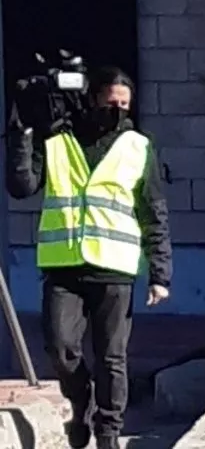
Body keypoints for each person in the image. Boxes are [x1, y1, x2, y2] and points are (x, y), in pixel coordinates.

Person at [8, 67, 171, 449]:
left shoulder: (137, 147)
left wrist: (160, 273)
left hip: (114, 269)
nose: (117, 110)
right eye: (111, 102)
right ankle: (81, 402)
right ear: (93, 99)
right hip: (64, 267)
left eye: (125, 105)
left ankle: (108, 433)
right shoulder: (58, 140)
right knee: (60, 349)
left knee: (111, 358)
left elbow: (153, 212)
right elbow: (22, 186)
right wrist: (23, 132)